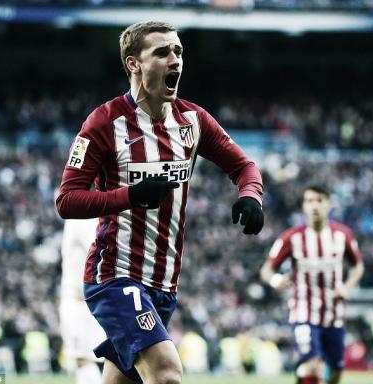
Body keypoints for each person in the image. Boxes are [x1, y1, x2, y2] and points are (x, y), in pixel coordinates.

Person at [55, 21, 264, 384]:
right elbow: (67, 200)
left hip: (164, 283)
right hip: (115, 276)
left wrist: (251, 195)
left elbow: (244, 165)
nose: (175, 60)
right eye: (162, 52)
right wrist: (130, 196)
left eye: (179, 52)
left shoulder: (193, 121)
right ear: (133, 63)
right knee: (167, 374)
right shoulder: (104, 123)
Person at [260, 186, 364, 384]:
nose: (314, 205)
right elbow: (266, 270)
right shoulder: (291, 237)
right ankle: (306, 371)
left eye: (319, 200)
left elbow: (358, 266)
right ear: (303, 207)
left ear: (328, 204)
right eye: (309, 201)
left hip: (334, 315)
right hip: (303, 313)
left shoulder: (343, 235)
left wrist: (347, 287)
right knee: (312, 363)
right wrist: (276, 280)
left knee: (335, 371)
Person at [59, 218, 106, 384]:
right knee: (85, 359)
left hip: (80, 299)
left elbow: (97, 248)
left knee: (83, 359)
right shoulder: (79, 218)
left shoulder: (78, 218)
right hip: (85, 297)